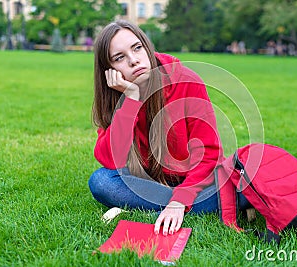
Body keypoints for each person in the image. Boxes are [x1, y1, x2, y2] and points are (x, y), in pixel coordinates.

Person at [88, 20, 251, 236]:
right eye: (120, 58)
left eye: (137, 48)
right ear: (110, 71)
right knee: (101, 182)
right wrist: (131, 102)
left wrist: (180, 200)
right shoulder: (117, 96)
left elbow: (208, 154)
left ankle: (164, 209)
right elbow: (110, 159)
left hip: (195, 180)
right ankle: (197, 207)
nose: (134, 60)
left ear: (147, 47)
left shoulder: (186, 81)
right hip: (153, 182)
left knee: (243, 188)